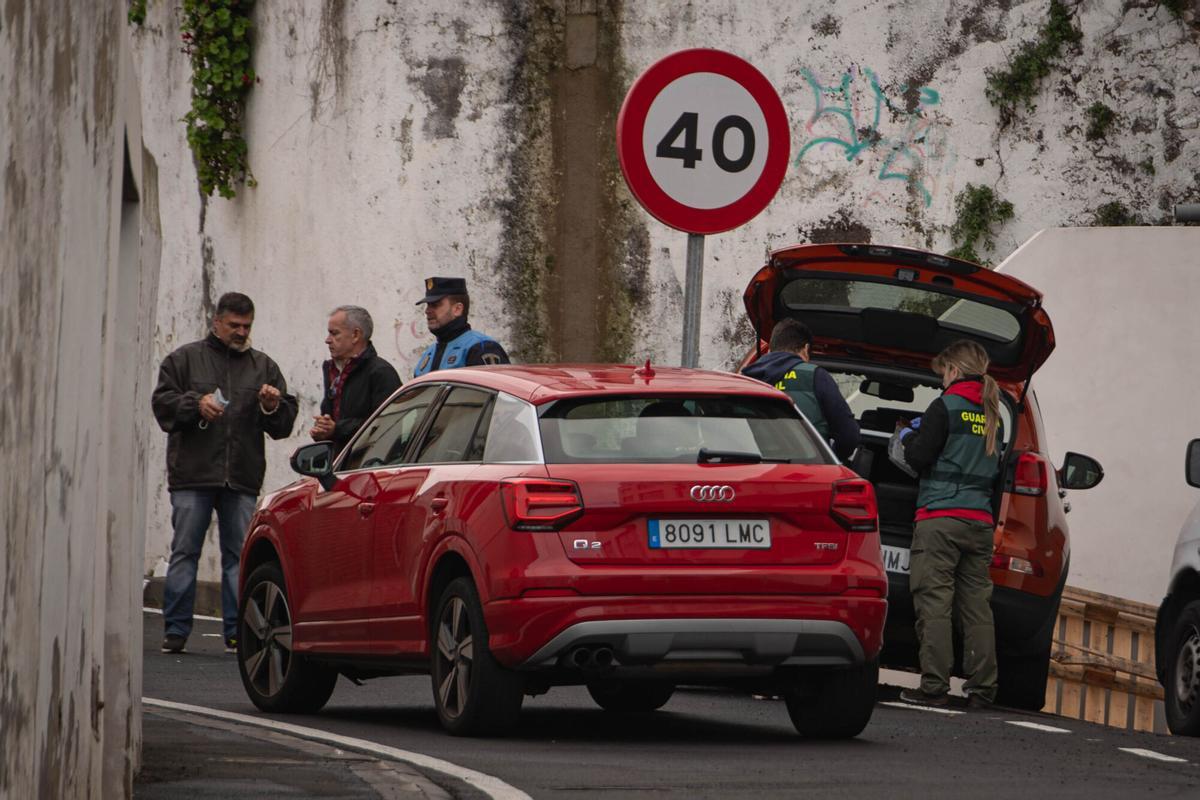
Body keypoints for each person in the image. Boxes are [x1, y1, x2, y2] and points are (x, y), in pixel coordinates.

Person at [151, 292, 298, 655]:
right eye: (234, 325)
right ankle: (176, 630)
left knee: (240, 557)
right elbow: (162, 405)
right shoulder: (183, 359)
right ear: (216, 322)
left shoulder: (263, 366)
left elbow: (283, 424)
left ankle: (238, 631)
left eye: (247, 326)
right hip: (193, 474)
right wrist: (194, 403)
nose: (241, 332)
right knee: (185, 551)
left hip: (242, 478)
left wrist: (271, 405)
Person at [897, 339, 1003, 709]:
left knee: (935, 601)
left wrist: (909, 436)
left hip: (940, 519)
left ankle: (934, 687)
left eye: (943, 373)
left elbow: (921, 458)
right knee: (976, 607)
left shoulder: (944, 406)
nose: (942, 381)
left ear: (954, 370)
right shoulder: (993, 412)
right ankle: (982, 690)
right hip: (979, 523)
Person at [741, 318, 859, 459]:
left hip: (758, 471)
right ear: (806, 348)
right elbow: (849, 436)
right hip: (808, 472)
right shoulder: (815, 376)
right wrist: (831, 459)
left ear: (770, 350)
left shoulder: (746, 379)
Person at [310, 305, 402, 453]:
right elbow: (329, 419)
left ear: (356, 335)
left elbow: (387, 425)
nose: (328, 340)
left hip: (370, 466)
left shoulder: (381, 372)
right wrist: (322, 430)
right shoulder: (333, 370)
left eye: (334, 333)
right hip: (338, 466)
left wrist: (337, 429)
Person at [414, 276, 509, 376]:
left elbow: (495, 389)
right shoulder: (428, 354)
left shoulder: (481, 348)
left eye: (435, 305)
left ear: (457, 309)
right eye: (428, 305)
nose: (427, 311)